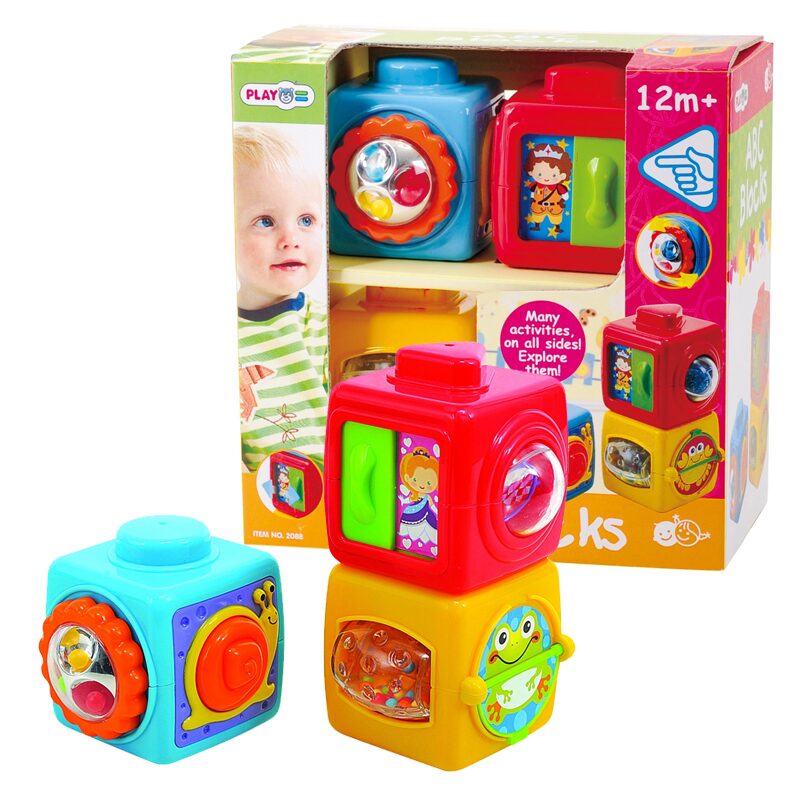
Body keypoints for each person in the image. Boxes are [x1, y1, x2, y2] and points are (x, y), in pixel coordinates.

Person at [234, 124, 328, 472]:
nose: (291, 239)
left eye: (306, 220)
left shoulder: (323, 324)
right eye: (265, 221)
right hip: (255, 496)